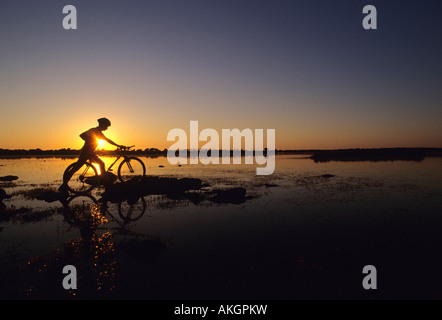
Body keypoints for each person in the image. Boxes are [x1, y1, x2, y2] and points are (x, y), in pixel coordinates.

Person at [59, 118, 126, 192]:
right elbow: (81, 135)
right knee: (75, 168)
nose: (107, 128)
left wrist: (118, 145)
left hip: (91, 153)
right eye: (106, 126)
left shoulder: (99, 133)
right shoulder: (93, 130)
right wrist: (91, 140)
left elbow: (108, 140)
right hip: (86, 152)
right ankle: (64, 186)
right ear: (102, 125)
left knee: (101, 164)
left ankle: (104, 182)